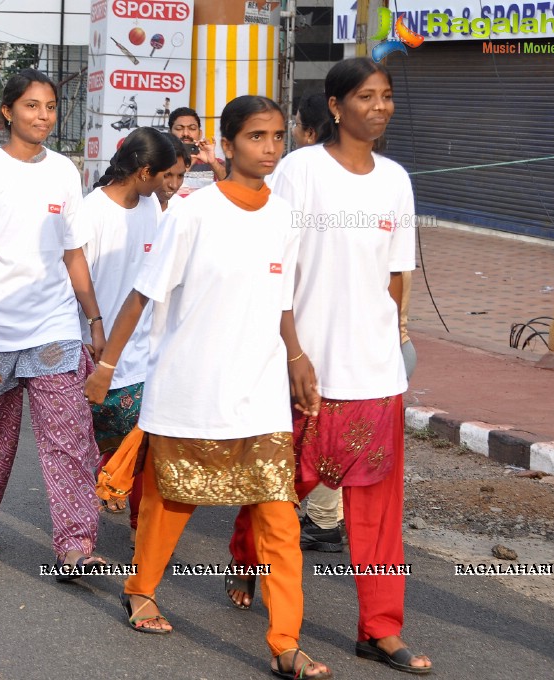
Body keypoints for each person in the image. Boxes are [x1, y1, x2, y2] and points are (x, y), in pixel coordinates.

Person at [84, 95, 332, 679]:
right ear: (226, 145)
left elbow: (284, 301)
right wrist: (106, 366)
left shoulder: (285, 217)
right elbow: (143, 295)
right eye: (255, 137)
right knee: (170, 503)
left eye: (277, 137)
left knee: (279, 517)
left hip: (260, 393)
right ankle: (140, 587)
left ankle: (286, 642)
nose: (269, 148)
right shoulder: (192, 213)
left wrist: (298, 358)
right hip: (190, 391)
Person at [228, 58, 431, 674]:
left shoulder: (396, 180)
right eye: (366, 96)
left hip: (375, 373)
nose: (380, 106)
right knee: (278, 487)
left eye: (387, 96)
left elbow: (397, 275)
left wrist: (395, 338)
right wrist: (290, 352)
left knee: (376, 513)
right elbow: (273, 267)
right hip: (305, 367)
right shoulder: (299, 173)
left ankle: (380, 627)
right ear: (336, 107)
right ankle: (243, 563)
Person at [0, 69, 106, 574]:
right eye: (32, 106)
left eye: (51, 106)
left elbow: (73, 253)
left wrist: (93, 319)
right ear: (8, 111)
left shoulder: (63, 171)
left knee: (70, 438)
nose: (43, 116)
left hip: (55, 329)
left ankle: (75, 544)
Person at [78, 127, 175, 535]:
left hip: (144, 354)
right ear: (144, 171)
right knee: (87, 448)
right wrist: (96, 327)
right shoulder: (91, 212)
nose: (168, 185)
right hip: (94, 351)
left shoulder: (152, 209)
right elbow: (76, 280)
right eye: (164, 176)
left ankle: (144, 531)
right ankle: (79, 530)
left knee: (148, 449)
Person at [168, 107, 226, 197]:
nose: (186, 133)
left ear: (200, 134)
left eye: (192, 128)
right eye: (179, 128)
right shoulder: (162, 163)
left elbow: (234, 188)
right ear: (170, 133)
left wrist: (213, 163)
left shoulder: (215, 163)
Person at [154, 133, 190, 213]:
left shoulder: (183, 209)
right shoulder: (125, 211)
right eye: (166, 175)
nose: (174, 185)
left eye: (180, 175)